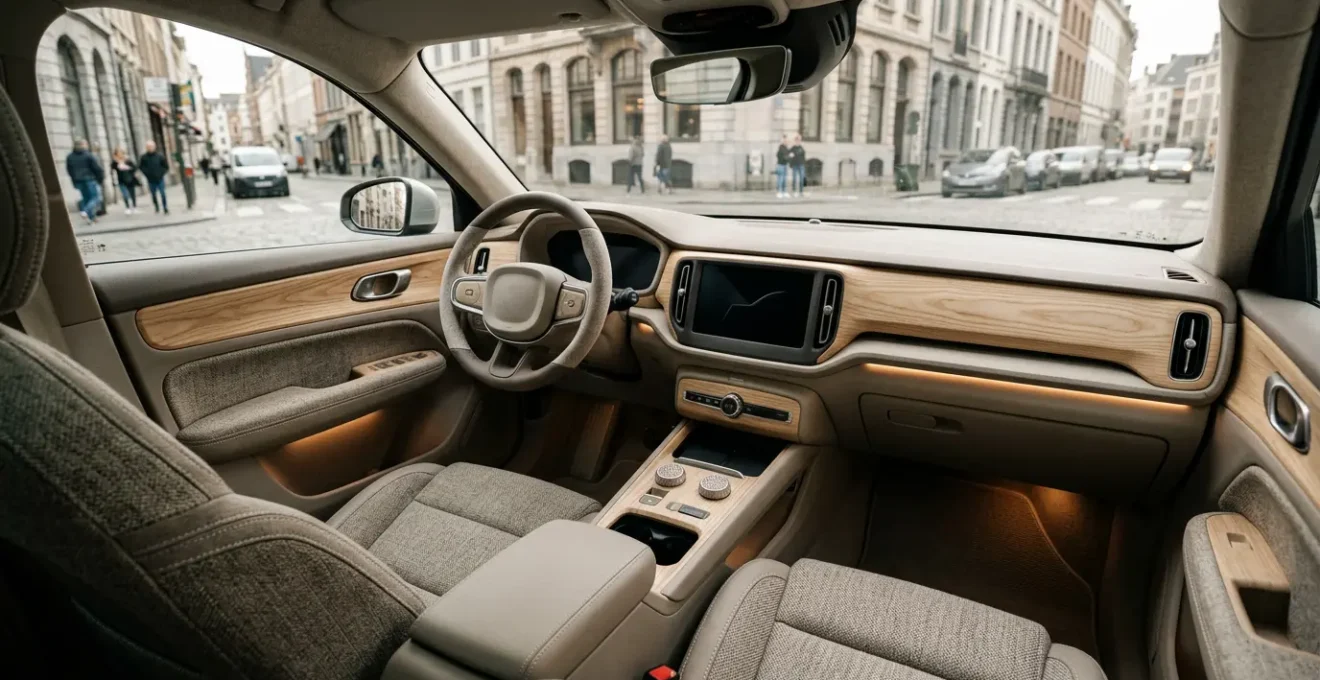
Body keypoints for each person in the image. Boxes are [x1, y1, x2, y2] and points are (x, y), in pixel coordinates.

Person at [65, 139, 104, 224]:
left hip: (78, 180)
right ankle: (85, 211)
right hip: (89, 179)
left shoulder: (70, 157)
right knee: (96, 198)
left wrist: (74, 181)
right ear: (83, 145)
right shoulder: (88, 155)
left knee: (86, 198)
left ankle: (91, 218)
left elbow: (69, 171)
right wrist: (100, 179)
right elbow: (97, 168)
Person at [138, 140, 170, 214]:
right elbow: (141, 167)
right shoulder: (144, 157)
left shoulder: (160, 156)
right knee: (153, 194)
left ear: (154, 147)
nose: (150, 148)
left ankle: (165, 207)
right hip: (151, 179)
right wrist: (147, 174)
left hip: (160, 178)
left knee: (162, 193)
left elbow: (166, 166)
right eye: (148, 147)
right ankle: (156, 207)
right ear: (146, 148)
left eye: (151, 146)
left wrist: (161, 173)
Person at [111, 148, 139, 215]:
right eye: (118, 153)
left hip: (130, 179)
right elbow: (112, 170)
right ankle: (128, 207)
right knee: (125, 194)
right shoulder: (115, 162)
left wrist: (127, 168)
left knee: (132, 194)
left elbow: (134, 168)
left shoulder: (128, 160)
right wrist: (116, 162)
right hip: (121, 180)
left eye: (121, 153)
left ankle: (134, 207)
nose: (120, 155)